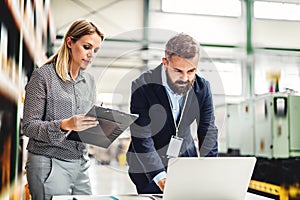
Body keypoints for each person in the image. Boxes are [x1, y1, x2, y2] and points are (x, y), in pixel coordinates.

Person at [126, 33, 218, 194]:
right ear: (165, 63)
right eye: (178, 71)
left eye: (191, 71)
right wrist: (160, 177)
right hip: (147, 167)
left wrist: (208, 170)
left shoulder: (202, 88)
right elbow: (142, 136)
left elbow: (208, 130)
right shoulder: (143, 86)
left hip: (184, 160)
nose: (185, 78)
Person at [23, 19, 104, 200]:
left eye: (95, 50)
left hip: (80, 163)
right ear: (69, 42)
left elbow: (85, 124)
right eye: (86, 47)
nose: (91, 54)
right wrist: (64, 124)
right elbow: (28, 126)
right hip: (49, 163)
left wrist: (103, 125)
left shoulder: (89, 81)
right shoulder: (43, 76)